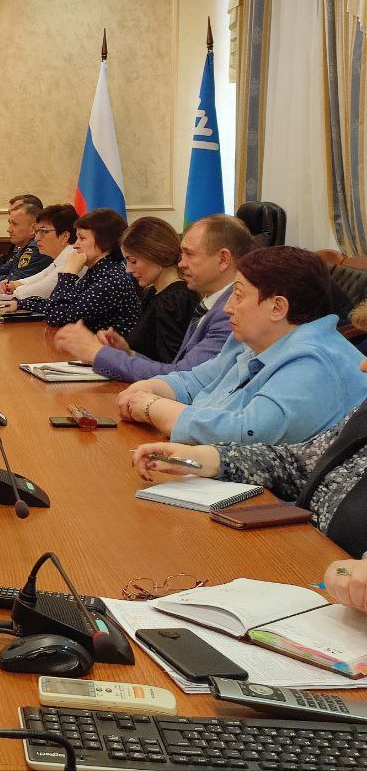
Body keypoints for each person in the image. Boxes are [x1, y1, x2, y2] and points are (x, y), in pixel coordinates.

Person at [131, 305, 367, 556]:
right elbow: (297, 464)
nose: (363, 365)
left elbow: (250, 429)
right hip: (305, 551)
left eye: (240, 294)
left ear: (278, 306)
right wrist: (201, 458)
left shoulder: (310, 358)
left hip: (321, 565)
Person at [119, 246, 367, 446]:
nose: (228, 308)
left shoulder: (314, 362)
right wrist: (148, 387)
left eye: (238, 295)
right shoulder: (251, 339)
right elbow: (195, 381)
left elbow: (245, 432)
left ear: (277, 308)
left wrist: (152, 407)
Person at [60, 214, 252, 382]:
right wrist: (127, 353)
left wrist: (97, 353)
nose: (181, 263)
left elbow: (183, 378)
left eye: (189, 254)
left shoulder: (231, 312)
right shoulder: (211, 303)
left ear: (223, 259)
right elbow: (176, 367)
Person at [54, 216, 197, 368]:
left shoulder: (173, 300)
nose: (128, 269)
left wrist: (105, 354)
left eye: (133, 261)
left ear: (157, 255)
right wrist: (124, 350)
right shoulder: (154, 293)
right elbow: (150, 355)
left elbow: (172, 368)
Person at [0, 208, 142, 334]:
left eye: (82, 239)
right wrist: (20, 305)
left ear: (104, 242)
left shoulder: (110, 279)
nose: (75, 245)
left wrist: (69, 274)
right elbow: (63, 305)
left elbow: (58, 317)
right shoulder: (97, 271)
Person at [0, 204, 79, 301]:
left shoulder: (73, 259)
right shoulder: (62, 257)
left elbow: (39, 291)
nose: (36, 238)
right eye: (37, 231)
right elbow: (41, 277)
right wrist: (14, 284)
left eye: (44, 231)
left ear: (65, 236)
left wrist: (15, 290)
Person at [0, 200, 53, 290]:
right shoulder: (24, 246)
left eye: (14, 224)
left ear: (33, 228)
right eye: (9, 223)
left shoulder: (36, 248)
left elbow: (18, 279)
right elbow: (5, 269)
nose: (9, 229)